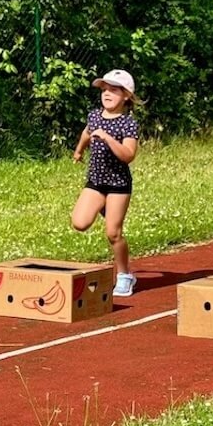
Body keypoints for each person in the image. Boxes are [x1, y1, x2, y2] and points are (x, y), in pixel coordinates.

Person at [72, 69, 140, 297]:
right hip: (96, 182)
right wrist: (79, 151)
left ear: (126, 96)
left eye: (114, 90)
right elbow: (87, 133)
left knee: (113, 233)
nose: (107, 94)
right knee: (79, 223)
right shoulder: (94, 116)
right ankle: (107, 209)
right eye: (104, 89)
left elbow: (129, 155)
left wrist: (109, 139)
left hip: (118, 185)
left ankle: (124, 275)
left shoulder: (128, 124)